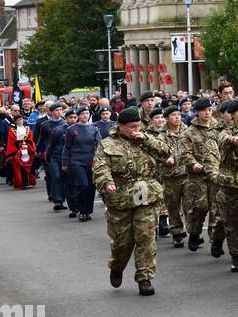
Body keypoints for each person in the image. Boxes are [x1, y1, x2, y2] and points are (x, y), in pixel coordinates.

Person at [91, 106, 176, 295]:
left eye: (138, 125)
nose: (135, 129)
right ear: (120, 126)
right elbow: (100, 168)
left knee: (146, 237)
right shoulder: (107, 144)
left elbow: (167, 153)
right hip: (120, 197)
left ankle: (145, 277)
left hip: (147, 194)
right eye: (131, 127)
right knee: (123, 242)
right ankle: (117, 266)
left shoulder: (147, 139)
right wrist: (107, 183)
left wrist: (146, 139)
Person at [213, 98, 238, 272]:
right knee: (232, 220)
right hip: (230, 182)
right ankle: (236, 254)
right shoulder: (223, 129)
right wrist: (233, 140)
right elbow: (222, 140)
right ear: (232, 115)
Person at [180, 98, 219, 252]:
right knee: (200, 207)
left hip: (216, 174)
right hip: (198, 176)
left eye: (209, 110)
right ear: (197, 112)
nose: (207, 113)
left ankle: (216, 240)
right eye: (204, 110)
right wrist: (193, 163)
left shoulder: (218, 127)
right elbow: (185, 152)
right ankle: (195, 233)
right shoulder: (190, 132)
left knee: (217, 209)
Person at [64, 107, 102, 221]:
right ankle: (81, 210)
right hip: (77, 161)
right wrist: (64, 163)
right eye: (83, 114)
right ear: (79, 116)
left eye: (87, 113)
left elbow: (99, 145)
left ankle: (88, 210)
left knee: (91, 187)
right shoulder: (72, 129)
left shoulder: (94, 129)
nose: (85, 115)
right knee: (83, 185)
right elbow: (67, 147)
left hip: (91, 161)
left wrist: (98, 158)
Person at [156, 106, 186, 245]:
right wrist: (165, 158)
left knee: (193, 206)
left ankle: (193, 230)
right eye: (174, 115)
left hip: (187, 174)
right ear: (167, 118)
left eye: (179, 114)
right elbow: (157, 151)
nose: (177, 117)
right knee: (173, 207)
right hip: (170, 176)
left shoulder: (187, 131)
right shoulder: (161, 135)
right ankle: (177, 233)